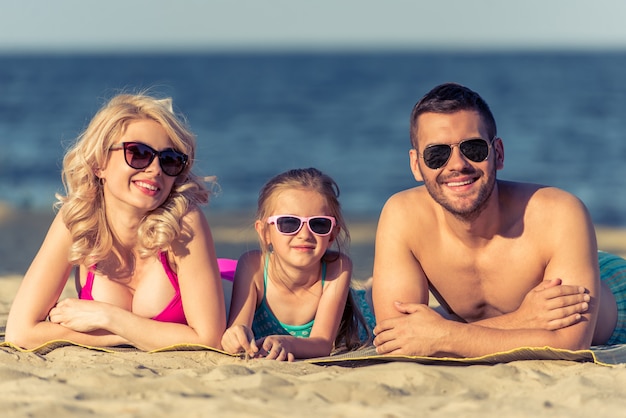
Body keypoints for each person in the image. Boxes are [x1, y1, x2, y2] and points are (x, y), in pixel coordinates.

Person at [372, 82, 626, 358]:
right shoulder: (403, 216)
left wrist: (443, 334)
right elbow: (398, 338)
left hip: (612, 290)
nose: (457, 165)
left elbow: (571, 342)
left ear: (499, 154)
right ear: (415, 165)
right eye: (437, 155)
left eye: (474, 148)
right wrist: (522, 320)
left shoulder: (560, 213)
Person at [5, 93, 226, 351]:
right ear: (99, 163)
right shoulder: (78, 220)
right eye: (139, 153)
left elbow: (209, 339)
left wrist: (108, 318)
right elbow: (20, 331)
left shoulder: (184, 223)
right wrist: (127, 335)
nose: (155, 169)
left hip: (229, 279)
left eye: (169, 160)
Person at [221, 168, 374, 361]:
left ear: (332, 235)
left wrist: (287, 343)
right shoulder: (253, 266)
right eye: (289, 223)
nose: (304, 234)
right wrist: (234, 337)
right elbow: (238, 327)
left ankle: (370, 287)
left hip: (356, 318)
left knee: (370, 298)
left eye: (318, 224)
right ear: (265, 232)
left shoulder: (338, 268)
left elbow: (322, 344)